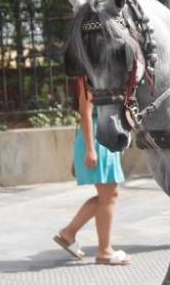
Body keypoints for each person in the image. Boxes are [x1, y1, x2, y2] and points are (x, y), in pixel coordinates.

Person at [53, 76, 130, 265]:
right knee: (109, 195)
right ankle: (104, 251)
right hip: (96, 139)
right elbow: (85, 113)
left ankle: (69, 233)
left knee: (108, 196)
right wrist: (90, 149)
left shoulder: (97, 76)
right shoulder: (88, 79)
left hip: (101, 136)